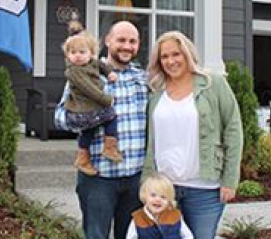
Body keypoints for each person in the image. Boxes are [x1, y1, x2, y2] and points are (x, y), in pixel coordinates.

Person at [143, 30, 243, 239]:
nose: (171, 61)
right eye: (164, 56)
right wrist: (146, 181)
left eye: (176, 54)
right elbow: (151, 140)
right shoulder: (156, 91)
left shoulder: (213, 84)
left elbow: (233, 130)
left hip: (204, 189)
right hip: (164, 188)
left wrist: (230, 179)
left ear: (187, 54)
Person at [55, 21, 149, 239]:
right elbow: (59, 117)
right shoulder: (86, 71)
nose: (127, 46)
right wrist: (87, 119)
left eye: (132, 41)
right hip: (98, 177)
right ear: (108, 41)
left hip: (135, 177)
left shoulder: (142, 78)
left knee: (130, 236)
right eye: (121, 40)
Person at [62, 21, 123, 176]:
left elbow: (101, 66)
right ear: (67, 55)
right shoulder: (74, 72)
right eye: (73, 52)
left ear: (91, 54)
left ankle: (85, 157)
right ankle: (108, 148)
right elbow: (89, 89)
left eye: (82, 52)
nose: (77, 56)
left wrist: (109, 73)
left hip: (89, 109)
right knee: (110, 116)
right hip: (81, 110)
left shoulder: (91, 63)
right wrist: (106, 100)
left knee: (89, 131)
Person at [126, 172, 194, 239]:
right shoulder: (137, 218)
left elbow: (188, 236)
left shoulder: (175, 215)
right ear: (144, 196)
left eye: (163, 197)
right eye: (153, 195)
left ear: (169, 200)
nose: (158, 200)